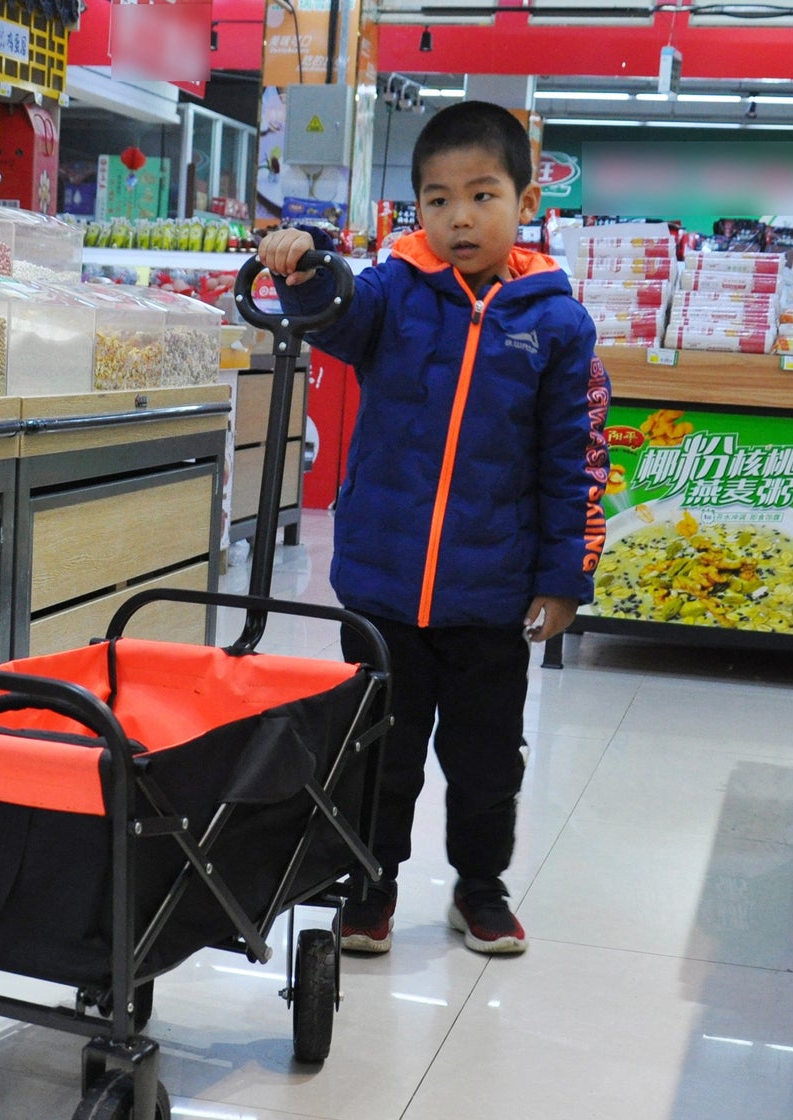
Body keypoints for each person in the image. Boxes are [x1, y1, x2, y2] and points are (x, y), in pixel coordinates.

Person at [258, 100, 610, 956]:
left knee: (487, 761)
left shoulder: (557, 324)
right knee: (380, 750)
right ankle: (368, 885)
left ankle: (479, 887)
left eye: (482, 195)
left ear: (525, 203)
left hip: (491, 593)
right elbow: (333, 319)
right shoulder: (391, 290)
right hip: (382, 582)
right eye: (438, 198)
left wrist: (564, 578)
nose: (459, 217)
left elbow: (577, 461)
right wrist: (301, 271)